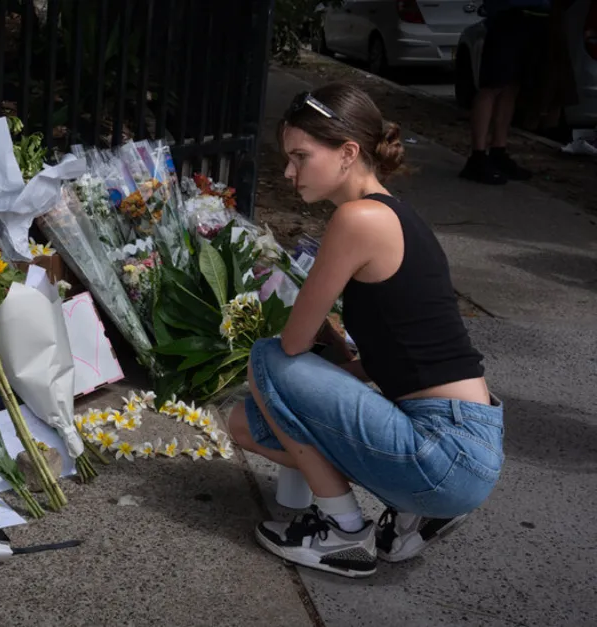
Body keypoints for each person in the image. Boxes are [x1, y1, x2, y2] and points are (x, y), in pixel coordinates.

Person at [228, 83, 504, 578]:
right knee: (245, 424)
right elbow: (392, 356)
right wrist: (332, 362)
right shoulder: (395, 215)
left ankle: (343, 532)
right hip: (464, 443)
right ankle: (417, 511)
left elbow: (291, 345)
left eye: (300, 157)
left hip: (445, 447)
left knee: (266, 358)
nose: (288, 172)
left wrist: (301, 350)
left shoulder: (358, 219)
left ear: (348, 152)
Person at [459, 0, 552, 184]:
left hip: (536, 18)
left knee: (512, 86)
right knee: (492, 86)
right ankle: (477, 156)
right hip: (508, 16)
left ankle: (498, 151)